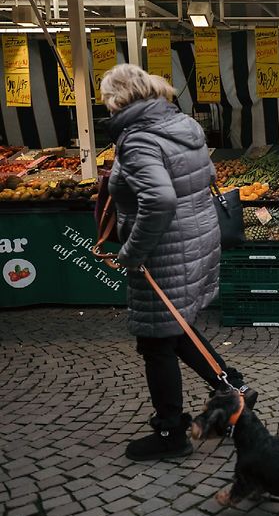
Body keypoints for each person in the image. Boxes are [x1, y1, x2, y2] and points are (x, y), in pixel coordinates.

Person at [102, 63, 255, 461]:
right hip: (193, 241)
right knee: (174, 326)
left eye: (105, 99)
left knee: (156, 341)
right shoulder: (182, 126)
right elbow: (201, 178)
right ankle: (232, 389)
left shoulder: (138, 140)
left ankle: (171, 433)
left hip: (163, 252)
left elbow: (160, 200)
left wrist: (131, 252)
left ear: (118, 99)